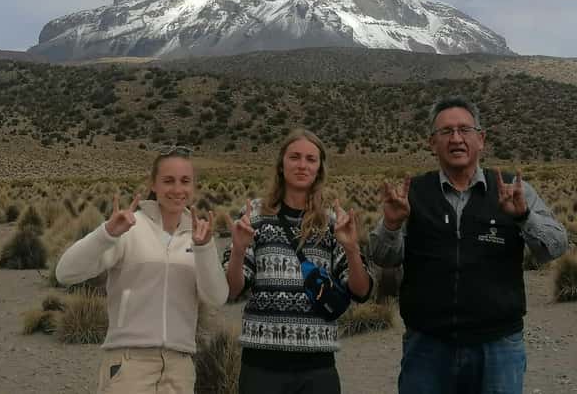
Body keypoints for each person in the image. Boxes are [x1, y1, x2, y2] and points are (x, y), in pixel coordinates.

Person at [369, 95, 568, 394]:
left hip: (498, 346)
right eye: (446, 132)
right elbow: (383, 258)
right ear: (432, 143)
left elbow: (555, 246)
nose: (456, 139)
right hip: (427, 346)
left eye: (464, 130)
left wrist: (525, 217)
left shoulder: (513, 190)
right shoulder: (413, 194)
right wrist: (392, 225)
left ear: (481, 139)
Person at [55, 146, 228, 394]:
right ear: (153, 184)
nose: (177, 189)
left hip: (180, 368)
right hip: (129, 364)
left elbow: (217, 297)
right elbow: (65, 273)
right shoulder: (129, 230)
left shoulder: (199, 237)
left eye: (185, 181)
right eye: (168, 181)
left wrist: (203, 249)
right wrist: (106, 234)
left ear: (194, 187)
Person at [224, 129, 374, 394]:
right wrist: (238, 250)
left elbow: (361, 291)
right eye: (294, 157)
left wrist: (351, 248)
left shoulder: (331, 223)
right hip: (261, 365)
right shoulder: (254, 216)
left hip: (317, 367)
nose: (302, 165)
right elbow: (232, 290)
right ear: (281, 164)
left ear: (319, 168)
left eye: (310, 159)